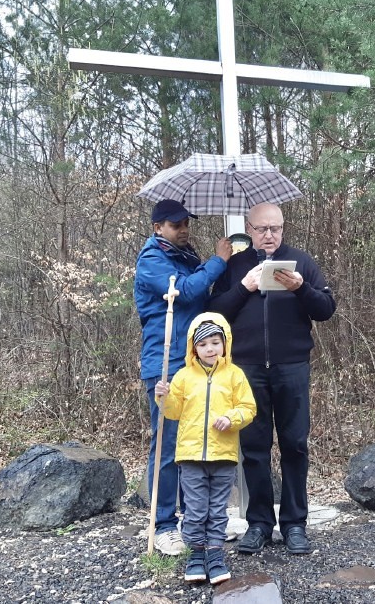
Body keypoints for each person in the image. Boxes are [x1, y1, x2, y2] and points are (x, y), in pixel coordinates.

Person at [208, 202, 336, 555]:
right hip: (247, 369)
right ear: (249, 230)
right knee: (253, 449)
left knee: (295, 444)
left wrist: (301, 288)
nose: (269, 235)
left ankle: (294, 524)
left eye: (275, 228)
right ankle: (260, 524)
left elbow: (326, 309)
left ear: (283, 228)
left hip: (292, 366)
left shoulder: (301, 262)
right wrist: (244, 287)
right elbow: (214, 312)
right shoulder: (235, 266)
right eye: (262, 229)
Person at [134, 199, 232, 555]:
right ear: (158, 227)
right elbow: (186, 291)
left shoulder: (185, 257)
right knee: (167, 445)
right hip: (165, 363)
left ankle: (195, 523)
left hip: (192, 363)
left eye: (186, 223)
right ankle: (162, 525)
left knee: (195, 443)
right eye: (176, 225)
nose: (184, 229)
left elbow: (201, 297)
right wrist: (219, 261)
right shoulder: (152, 260)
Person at [154, 313, 256, 585]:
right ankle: (196, 554)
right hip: (191, 456)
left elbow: (248, 408)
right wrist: (163, 397)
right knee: (196, 509)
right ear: (193, 347)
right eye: (203, 344)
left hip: (224, 455)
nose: (210, 349)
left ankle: (215, 554)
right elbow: (173, 412)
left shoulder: (234, 375)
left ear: (225, 343)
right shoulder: (184, 376)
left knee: (217, 510)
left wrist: (232, 418)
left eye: (215, 342)